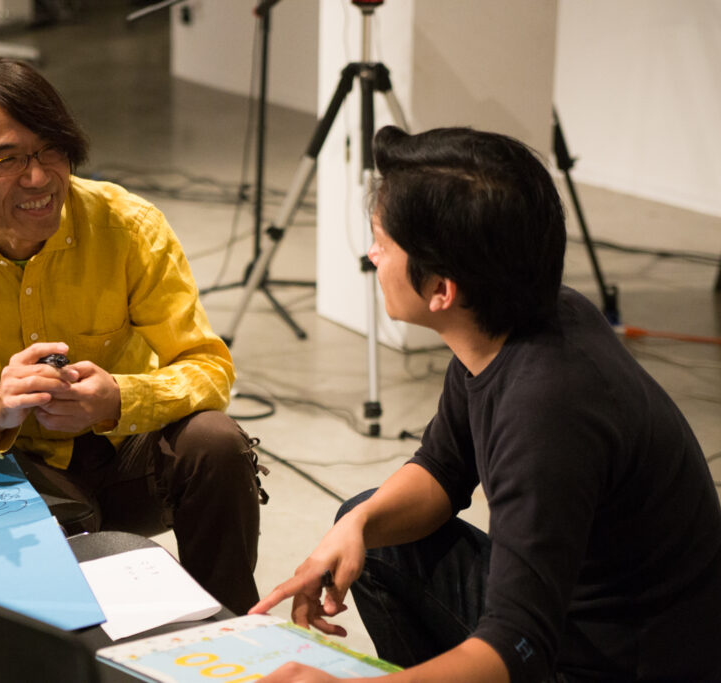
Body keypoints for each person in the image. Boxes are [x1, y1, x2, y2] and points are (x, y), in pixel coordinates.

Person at [250, 126, 721, 681]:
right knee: (373, 533)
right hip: (575, 618)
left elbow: (519, 644)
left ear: (442, 291)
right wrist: (355, 527)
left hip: (624, 661)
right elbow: (444, 469)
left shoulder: (547, 411)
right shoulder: (515, 323)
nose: (371, 254)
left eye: (383, 241)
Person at [0, 57, 267, 614]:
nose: (39, 177)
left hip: (126, 460)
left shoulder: (127, 225)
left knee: (216, 442)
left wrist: (119, 398)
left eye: (50, 150)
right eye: (6, 159)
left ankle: (234, 631)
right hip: (16, 468)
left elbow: (210, 367)